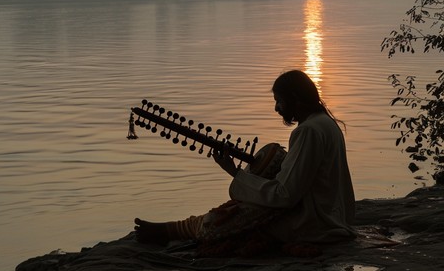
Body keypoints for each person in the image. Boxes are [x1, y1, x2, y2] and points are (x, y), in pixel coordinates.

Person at [134, 70, 356, 255]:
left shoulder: (308, 131)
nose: (277, 108)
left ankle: (170, 231)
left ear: (295, 99)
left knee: (219, 222)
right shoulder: (326, 123)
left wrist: (235, 173)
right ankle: (170, 229)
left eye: (279, 101)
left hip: (312, 225)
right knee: (238, 211)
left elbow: (285, 195)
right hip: (329, 216)